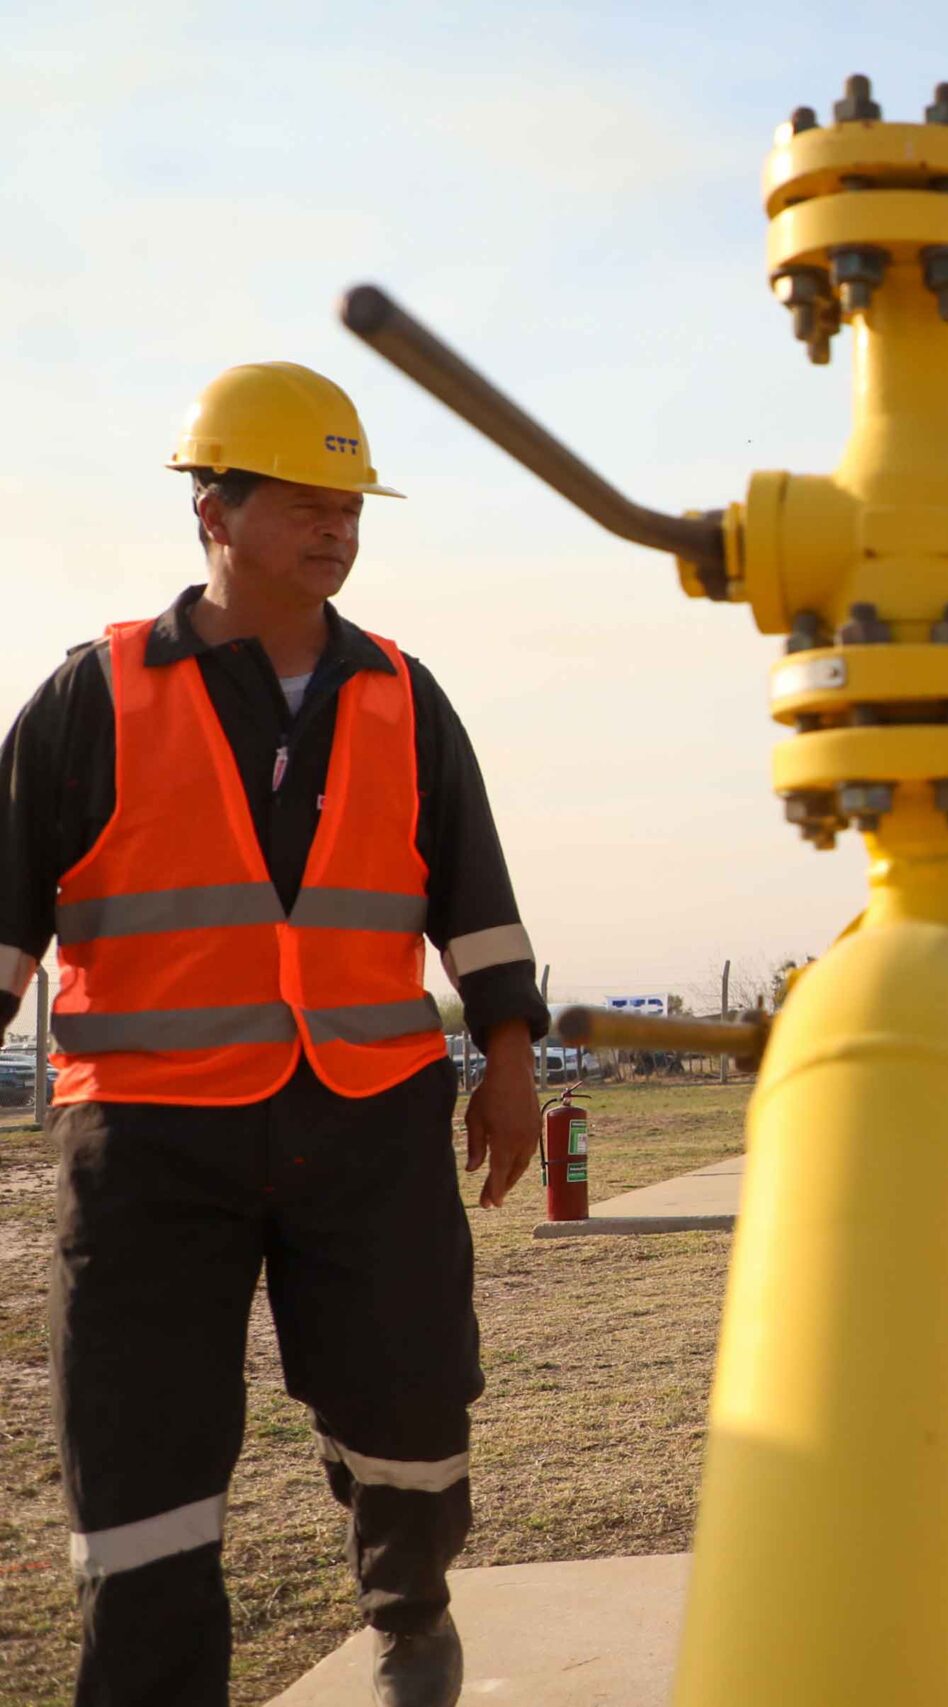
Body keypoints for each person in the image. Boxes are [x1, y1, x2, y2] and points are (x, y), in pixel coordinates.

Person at [0, 364, 549, 1707]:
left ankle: (410, 1605)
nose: (334, 524)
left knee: (415, 1406)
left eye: (348, 501)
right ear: (213, 507)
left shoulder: (405, 697)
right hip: (147, 1139)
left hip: (367, 1116)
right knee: (142, 1461)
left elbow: (473, 898)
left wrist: (514, 1061)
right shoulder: (98, 692)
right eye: (302, 500)